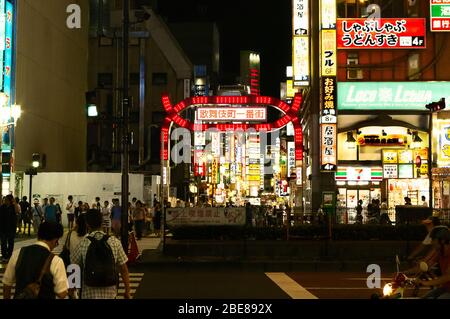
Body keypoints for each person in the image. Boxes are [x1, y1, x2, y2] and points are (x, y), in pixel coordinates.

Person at [70, 209, 131, 299]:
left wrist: (72, 289)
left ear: (87, 224)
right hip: (110, 293)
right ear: (102, 222)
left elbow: (74, 266)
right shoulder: (114, 241)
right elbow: (123, 268)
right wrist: (127, 290)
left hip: (88, 293)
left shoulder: (83, 242)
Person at [2, 222, 68, 299]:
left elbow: (7, 283)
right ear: (55, 240)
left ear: (38, 235)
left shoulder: (18, 253)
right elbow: (62, 293)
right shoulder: (56, 261)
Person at [417, 227, 450, 299]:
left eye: (433, 240)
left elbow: (447, 277)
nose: (431, 242)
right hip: (446, 288)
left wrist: (425, 282)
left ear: (443, 240)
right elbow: (427, 265)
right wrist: (404, 274)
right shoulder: (440, 252)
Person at [0, 195, 17, 263]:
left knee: (10, 243)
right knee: (3, 243)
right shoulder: (2, 207)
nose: (5, 200)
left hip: (11, 228)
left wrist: (14, 229)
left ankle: (9, 256)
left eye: (6, 199)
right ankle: (4, 256)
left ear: (10, 200)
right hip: (3, 228)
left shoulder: (13, 207)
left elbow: (16, 215)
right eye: (5, 199)